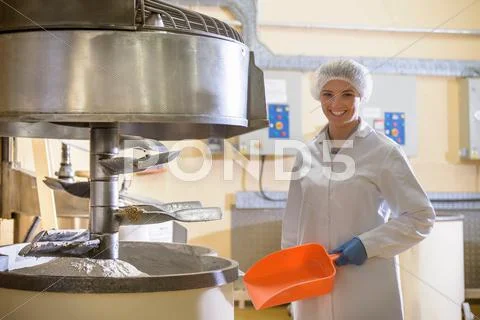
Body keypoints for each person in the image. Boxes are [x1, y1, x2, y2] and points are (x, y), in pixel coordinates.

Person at [281, 59, 435, 320]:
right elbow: (293, 223)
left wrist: (366, 245)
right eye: (328, 94)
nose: (336, 104)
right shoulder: (306, 154)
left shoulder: (384, 152)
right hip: (312, 282)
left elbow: (421, 216)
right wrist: (288, 274)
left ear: (361, 96)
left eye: (347, 94)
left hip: (366, 280)